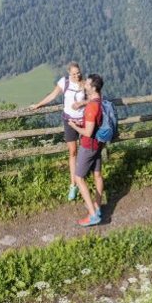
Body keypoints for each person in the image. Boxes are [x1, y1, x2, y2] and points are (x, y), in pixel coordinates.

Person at [30, 61, 87, 200]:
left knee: (85, 150)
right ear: (69, 73)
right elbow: (52, 95)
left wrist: (82, 103)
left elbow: (94, 99)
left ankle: (82, 179)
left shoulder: (85, 84)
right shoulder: (64, 82)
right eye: (74, 74)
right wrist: (38, 105)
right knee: (73, 151)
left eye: (78, 73)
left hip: (84, 121)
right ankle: (73, 185)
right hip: (69, 121)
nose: (76, 76)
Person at [69, 73, 105, 226]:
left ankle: (92, 215)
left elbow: (88, 132)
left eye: (87, 84)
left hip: (88, 145)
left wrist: (74, 126)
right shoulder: (99, 101)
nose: (85, 85)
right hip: (98, 145)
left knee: (78, 178)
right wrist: (82, 103)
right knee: (97, 174)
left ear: (93, 87)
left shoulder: (92, 107)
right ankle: (97, 206)